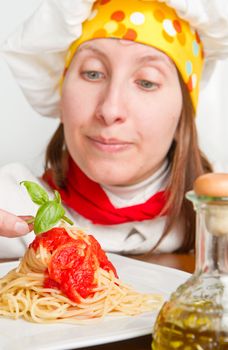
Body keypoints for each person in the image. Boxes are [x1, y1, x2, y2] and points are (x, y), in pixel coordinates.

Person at [0, 0, 227, 258]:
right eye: (93, 73)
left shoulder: (220, 210)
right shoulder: (12, 206)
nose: (110, 110)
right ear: (61, 98)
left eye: (146, 82)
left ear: (183, 117)